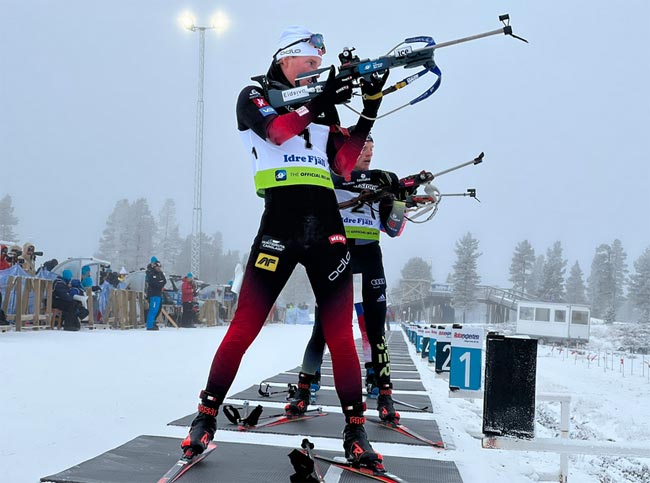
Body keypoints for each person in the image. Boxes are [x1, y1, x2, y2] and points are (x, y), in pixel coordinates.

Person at [181, 26, 388, 470]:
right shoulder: (253, 94)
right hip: (280, 222)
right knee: (245, 327)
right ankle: (205, 417)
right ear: (286, 59)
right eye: (309, 64)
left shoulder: (320, 107)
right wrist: (320, 95)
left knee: (340, 337)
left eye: (319, 67)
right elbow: (277, 132)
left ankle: (356, 430)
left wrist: (369, 108)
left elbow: (345, 163)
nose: (315, 71)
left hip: (328, 228)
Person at [287, 133, 407, 424]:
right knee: (323, 329)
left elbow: (393, 229)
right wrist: (349, 181)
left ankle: (383, 393)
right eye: (363, 147)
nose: (368, 153)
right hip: (337, 257)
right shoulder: (328, 176)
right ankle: (305, 388)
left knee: (374, 329)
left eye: (372, 149)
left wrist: (400, 199)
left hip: (368, 260)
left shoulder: (381, 181)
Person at [145, 257, 166, 331]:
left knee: (158, 309)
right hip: (153, 294)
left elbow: (163, 281)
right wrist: (159, 283)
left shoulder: (160, 273)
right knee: (153, 309)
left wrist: (159, 283)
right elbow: (152, 282)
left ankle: (153, 322)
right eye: (157, 266)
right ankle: (149, 325)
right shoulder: (151, 272)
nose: (159, 268)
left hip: (158, 294)